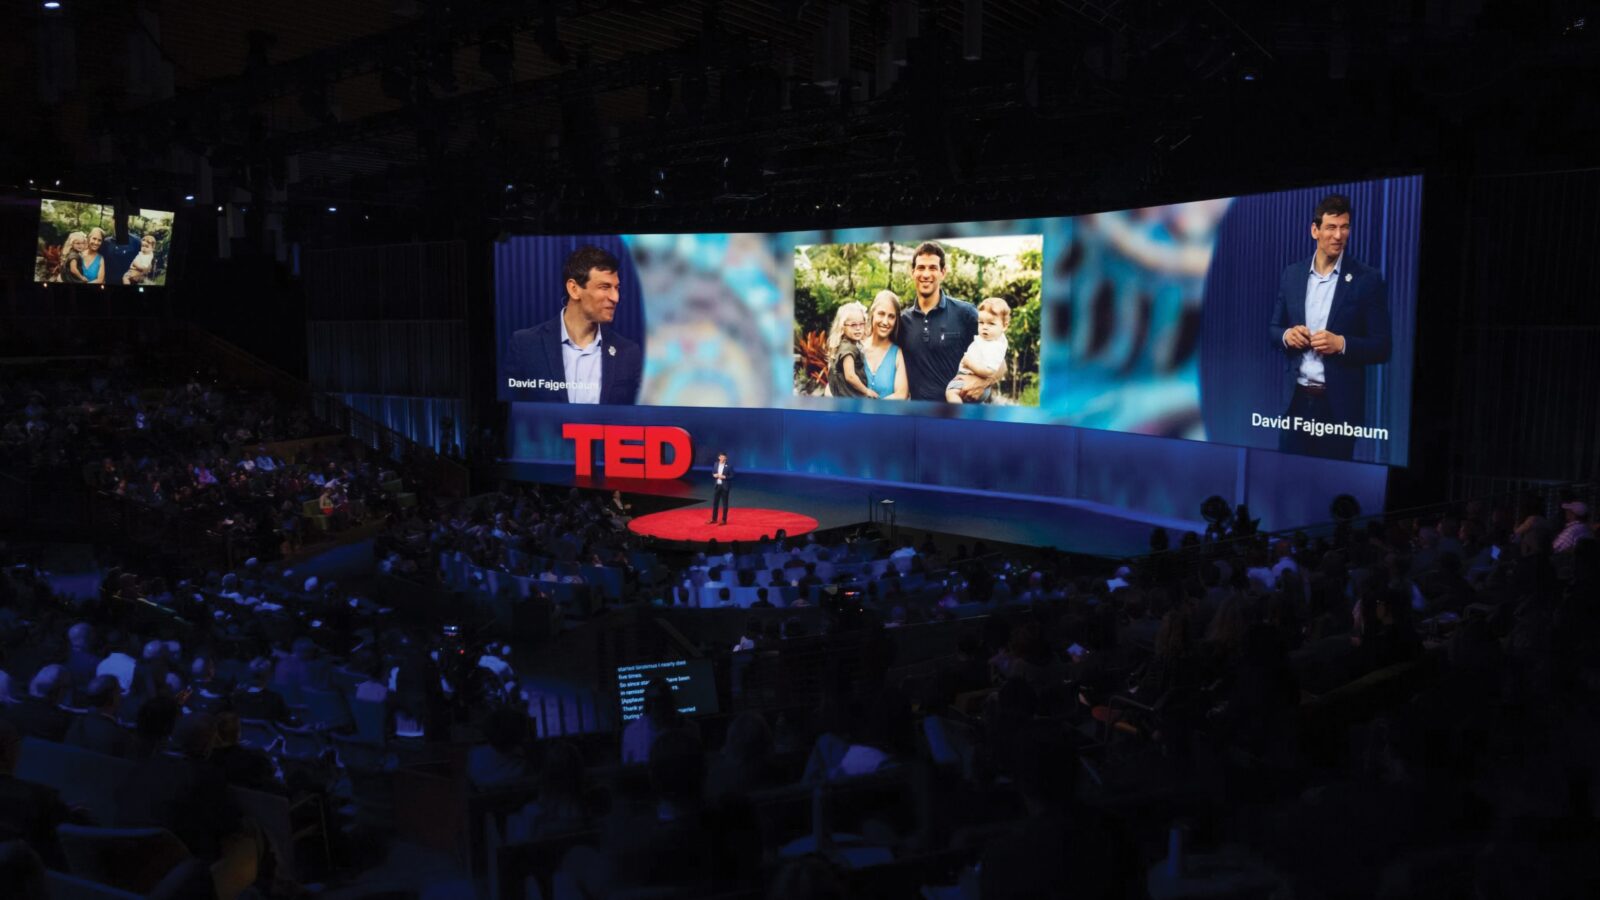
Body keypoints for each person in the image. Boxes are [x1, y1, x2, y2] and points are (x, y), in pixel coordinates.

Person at [1268, 193, 1392, 460]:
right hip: (1295, 403)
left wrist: (1341, 344)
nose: (1339, 235)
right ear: (1315, 230)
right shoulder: (1292, 275)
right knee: (1288, 475)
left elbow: (1382, 347)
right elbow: (1274, 330)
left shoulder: (1367, 279)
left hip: (1338, 408)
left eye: (1345, 227)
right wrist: (1288, 335)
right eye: (1331, 227)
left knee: (1332, 478)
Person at [502, 245, 643, 404]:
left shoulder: (628, 353)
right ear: (574, 289)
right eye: (604, 287)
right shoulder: (525, 345)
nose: (615, 298)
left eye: (616, 288)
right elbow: (510, 411)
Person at [897, 241, 1001, 401]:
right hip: (919, 413)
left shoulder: (965, 313)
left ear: (943, 272)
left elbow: (1001, 360)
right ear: (913, 273)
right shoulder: (903, 322)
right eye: (921, 268)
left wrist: (983, 383)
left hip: (961, 412)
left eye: (933, 268)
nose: (926, 274)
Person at [946, 297, 1011, 403]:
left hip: (971, 381)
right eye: (981, 322)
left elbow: (990, 371)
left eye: (991, 323)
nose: (984, 327)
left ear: (1004, 326)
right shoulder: (994, 338)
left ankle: (958, 413)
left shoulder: (994, 346)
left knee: (951, 393)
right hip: (969, 381)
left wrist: (969, 363)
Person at [863, 290, 910, 399]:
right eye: (881, 314)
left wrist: (875, 407)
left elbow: (901, 395)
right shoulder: (858, 348)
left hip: (887, 411)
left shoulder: (897, 354)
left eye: (891, 316)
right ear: (872, 313)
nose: (885, 322)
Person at [825, 302, 875, 398]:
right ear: (842, 327)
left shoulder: (844, 344)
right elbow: (850, 376)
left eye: (861, 324)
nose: (858, 328)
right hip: (850, 396)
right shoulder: (848, 349)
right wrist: (866, 391)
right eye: (853, 325)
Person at [709, 451, 733, 526]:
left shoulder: (729, 466)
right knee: (715, 503)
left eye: (724, 457)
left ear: (726, 458)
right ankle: (714, 519)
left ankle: (724, 520)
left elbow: (732, 476)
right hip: (717, 486)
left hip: (725, 487)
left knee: (725, 504)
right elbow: (713, 472)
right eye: (721, 457)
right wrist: (714, 475)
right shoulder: (716, 464)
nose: (722, 458)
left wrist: (724, 477)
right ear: (719, 457)